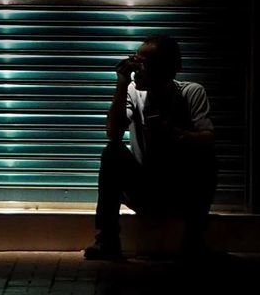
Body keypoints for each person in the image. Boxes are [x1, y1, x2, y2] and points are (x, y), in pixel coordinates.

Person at [83, 34, 219, 262]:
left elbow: (208, 138)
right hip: (144, 189)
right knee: (112, 153)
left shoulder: (190, 92)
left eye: (143, 64)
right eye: (135, 61)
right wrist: (121, 83)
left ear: (167, 69)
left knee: (208, 157)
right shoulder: (133, 91)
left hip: (180, 191)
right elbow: (113, 134)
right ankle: (107, 241)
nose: (137, 70)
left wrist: (175, 133)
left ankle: (193, 242)